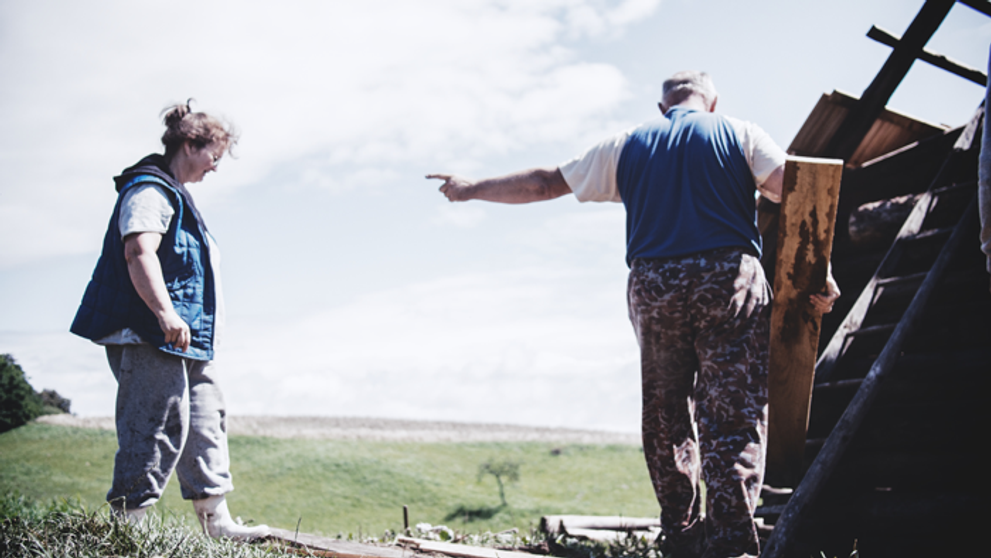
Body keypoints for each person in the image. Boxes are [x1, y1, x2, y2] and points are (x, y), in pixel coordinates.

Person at [429, 71, 839, 558]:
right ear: (712, 101)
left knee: (666, 414)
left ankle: (681, 538)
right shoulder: (739, 132)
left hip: (654, 284)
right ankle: (731, 545)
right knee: (732, 414)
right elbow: (798, 189)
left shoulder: (626, 145)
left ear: (663, 106)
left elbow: (543, 185)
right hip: (728, 280)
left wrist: (471, 187)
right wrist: (817, 271)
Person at [70, 102, 269, 541]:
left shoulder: (178, 195)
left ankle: (216, 524)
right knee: (153, 423)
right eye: (214, 155)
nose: (216, 167)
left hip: (188, 337)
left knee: (204, 419)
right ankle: (128, 527)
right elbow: (138, 251)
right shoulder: (150, 190)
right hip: (150, 331)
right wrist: (164, 313)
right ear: (190, 144)